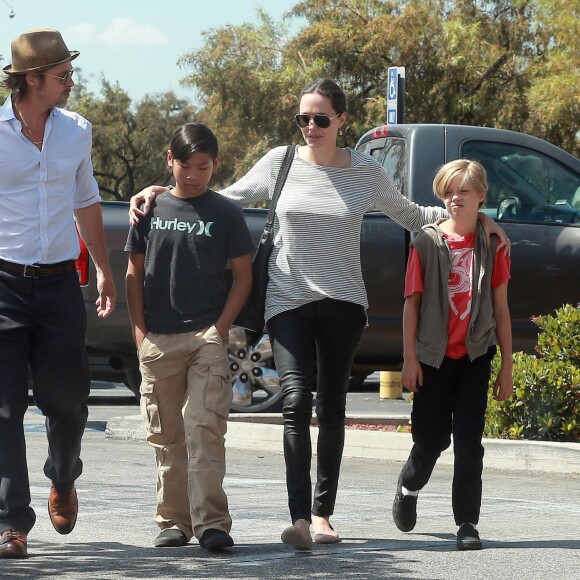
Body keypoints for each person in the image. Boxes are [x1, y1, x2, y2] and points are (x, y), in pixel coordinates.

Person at [128, 79, 509, 550]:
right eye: (303, 119)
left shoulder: (364, 172)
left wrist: (478, 219)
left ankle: (322, 513)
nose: (311, 127)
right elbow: (222, 195)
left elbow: (412, 215)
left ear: (341, 121)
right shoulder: (279, 162)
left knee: (331, 407)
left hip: (344, 302)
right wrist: (161, 190)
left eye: (321, 119)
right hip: (287, 299)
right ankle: (298, 520)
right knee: (293, 401)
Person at [0, 29, 116, 559]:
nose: (71, 82)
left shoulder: (77, 132)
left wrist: (104, 271)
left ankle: (63, 475)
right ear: (32, 80)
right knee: (3, 409)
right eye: (62, 75)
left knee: (67, 403)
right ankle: (11, 522)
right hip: (2, 283)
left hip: (59, 284)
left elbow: (87, 200)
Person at [125, 123, 253, 551]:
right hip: (158, 339)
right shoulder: (150, 208)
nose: (193, 174)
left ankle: (213, 523)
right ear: (170, 160)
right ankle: (173, 521)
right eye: (185, 165)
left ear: (215, 165)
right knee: (167, 435)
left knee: (204, 429)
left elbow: (243, 277)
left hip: (205, 339)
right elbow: (133, 274)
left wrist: (218, 330)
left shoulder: (227, 213)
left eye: (203, 166)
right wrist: (141, 334)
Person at [392, 159, 513, 550]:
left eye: (463, 191)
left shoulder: (493, 245)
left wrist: (507, 366)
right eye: (448, 192)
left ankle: (467, 524)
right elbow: (412, 304)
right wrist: (410, 358)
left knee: (468, 440)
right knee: (432, 439)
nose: (454, 199)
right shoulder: (425, 242)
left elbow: (500, 308)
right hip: (431, 357)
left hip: (476, 355)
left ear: (481, 196)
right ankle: (409, 486)